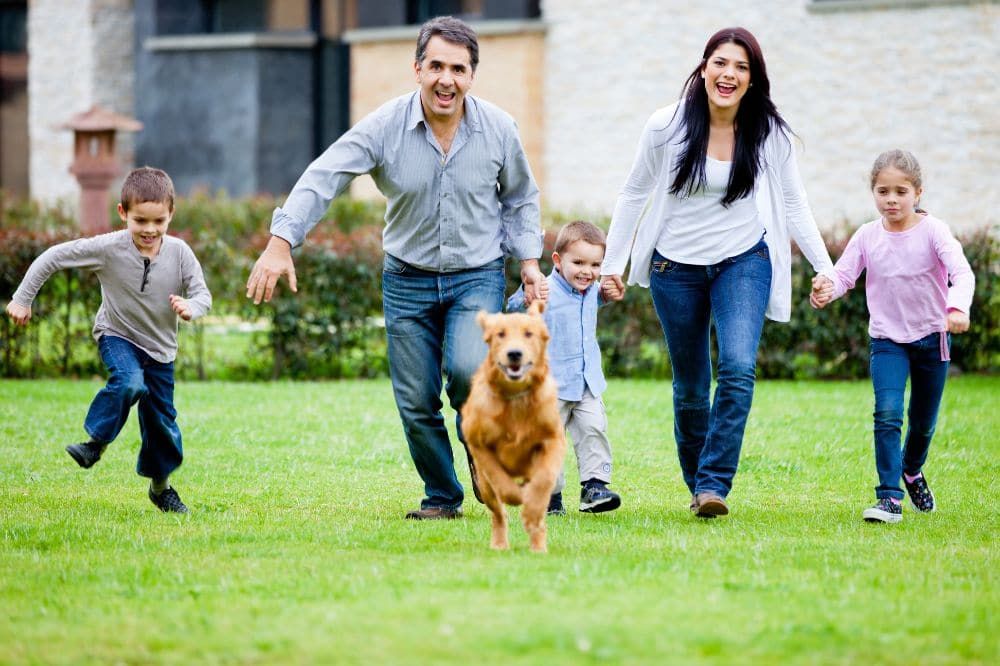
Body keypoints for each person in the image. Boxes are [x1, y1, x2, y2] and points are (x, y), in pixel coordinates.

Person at [244, 16, 546, 520]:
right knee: (415, 402)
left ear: (471, 76)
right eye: (436, 66)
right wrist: (281, 241)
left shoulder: (499, 129)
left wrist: (530, 262)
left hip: (476, 274)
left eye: (458, 69)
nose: (446, 80)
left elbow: (520, 198)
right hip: (407, 281)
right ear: (417, 69)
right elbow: (325, 175)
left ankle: (479, 450)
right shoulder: (385, 126)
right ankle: (442, 497)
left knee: (469, 371)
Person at [600, 27, 835, 518]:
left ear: (753, 79)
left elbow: (794, 202)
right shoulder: (666, 126)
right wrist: (611, 265)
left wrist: (824, 267)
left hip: (743, 261)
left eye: (741, 67)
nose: (729, 74)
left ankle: (713, 485)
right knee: (690, 385)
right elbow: (634, 192)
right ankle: (699, 485)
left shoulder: (768, 133)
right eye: (721, 63)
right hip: (674, 267)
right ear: (704, 67)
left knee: (738, 367)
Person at [5, 167, 212, 513]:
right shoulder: (108, 248)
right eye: (140, 220)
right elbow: (54, 257)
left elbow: (203, 295)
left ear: (171, 214)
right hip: (118, 335)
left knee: (162, 423)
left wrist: (192, 307)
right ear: (123, 213)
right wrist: (22, 298)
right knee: (129, 382)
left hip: (161, 351)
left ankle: (160, 489)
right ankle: (95, 444)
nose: (149, 229)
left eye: (159, 221)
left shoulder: (180, 253)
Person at [811, 150, 973, 523]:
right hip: (887, 341)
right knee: (887, 413)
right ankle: (889, 498)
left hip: (932, 338)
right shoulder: (868, 236)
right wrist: (826, 288)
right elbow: (843, 275)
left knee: (923, 423)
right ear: (873, 192)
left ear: (918, 192)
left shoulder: (934, 231)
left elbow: (962, 273)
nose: (892, 200)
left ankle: (911, 470)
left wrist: (957, 309)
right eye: (883, 191)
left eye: (901, 191)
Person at [507, 220, 623, 516]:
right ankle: (551, 496)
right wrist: (527, 294)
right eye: (579, 263)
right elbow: (514, 309)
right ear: (558, 261)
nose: (587, 271)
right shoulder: (545, 290)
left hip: (586, 383)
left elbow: (597, 299)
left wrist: (607, 294)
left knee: (594, 429)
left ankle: (594, 487)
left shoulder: (591, 290)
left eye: (595, 265)